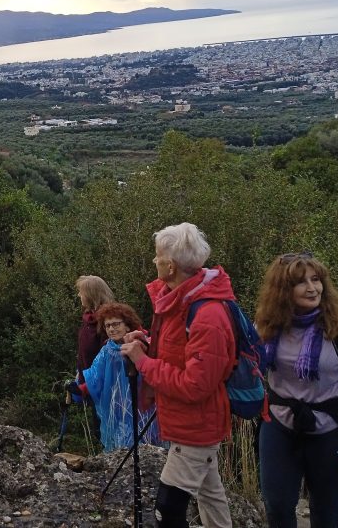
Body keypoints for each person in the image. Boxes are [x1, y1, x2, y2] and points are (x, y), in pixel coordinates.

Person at [120, 222, 235, 528]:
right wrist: (146, 341)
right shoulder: (180, 300)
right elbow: (178, 353)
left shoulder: (206, 314)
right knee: (211, 498)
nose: (153, 262)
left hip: (195, 427)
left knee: (167, 511)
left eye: (157, 257)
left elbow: (195, 384)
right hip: (191, 423)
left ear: (170, 266)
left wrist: (143, 361)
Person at [254, 252, 338, 528]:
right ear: (283, 290)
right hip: (280, 425)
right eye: (301, 282)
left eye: (316, 279)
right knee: (278, 506)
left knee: (325, 508)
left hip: (329, 429)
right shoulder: (266, 327)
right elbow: (242, 364)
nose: (312, 288)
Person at [79, 302, 160, 452]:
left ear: (128, 325)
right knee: (120, 447)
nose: (111, 329)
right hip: (117, 411)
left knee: (145, 444)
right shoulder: (107, 350)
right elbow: (96, 376)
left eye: (116, 324)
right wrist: (80, 390)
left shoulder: (142, 345)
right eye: (107, 325)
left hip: (141, 407)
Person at [76, 275, 115, 381]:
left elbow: (107, 357)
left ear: (90, 295)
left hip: (99, 383)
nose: (79, 295)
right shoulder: (89, 318)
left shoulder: (108, 320)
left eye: (82, 292)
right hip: (85, 377)